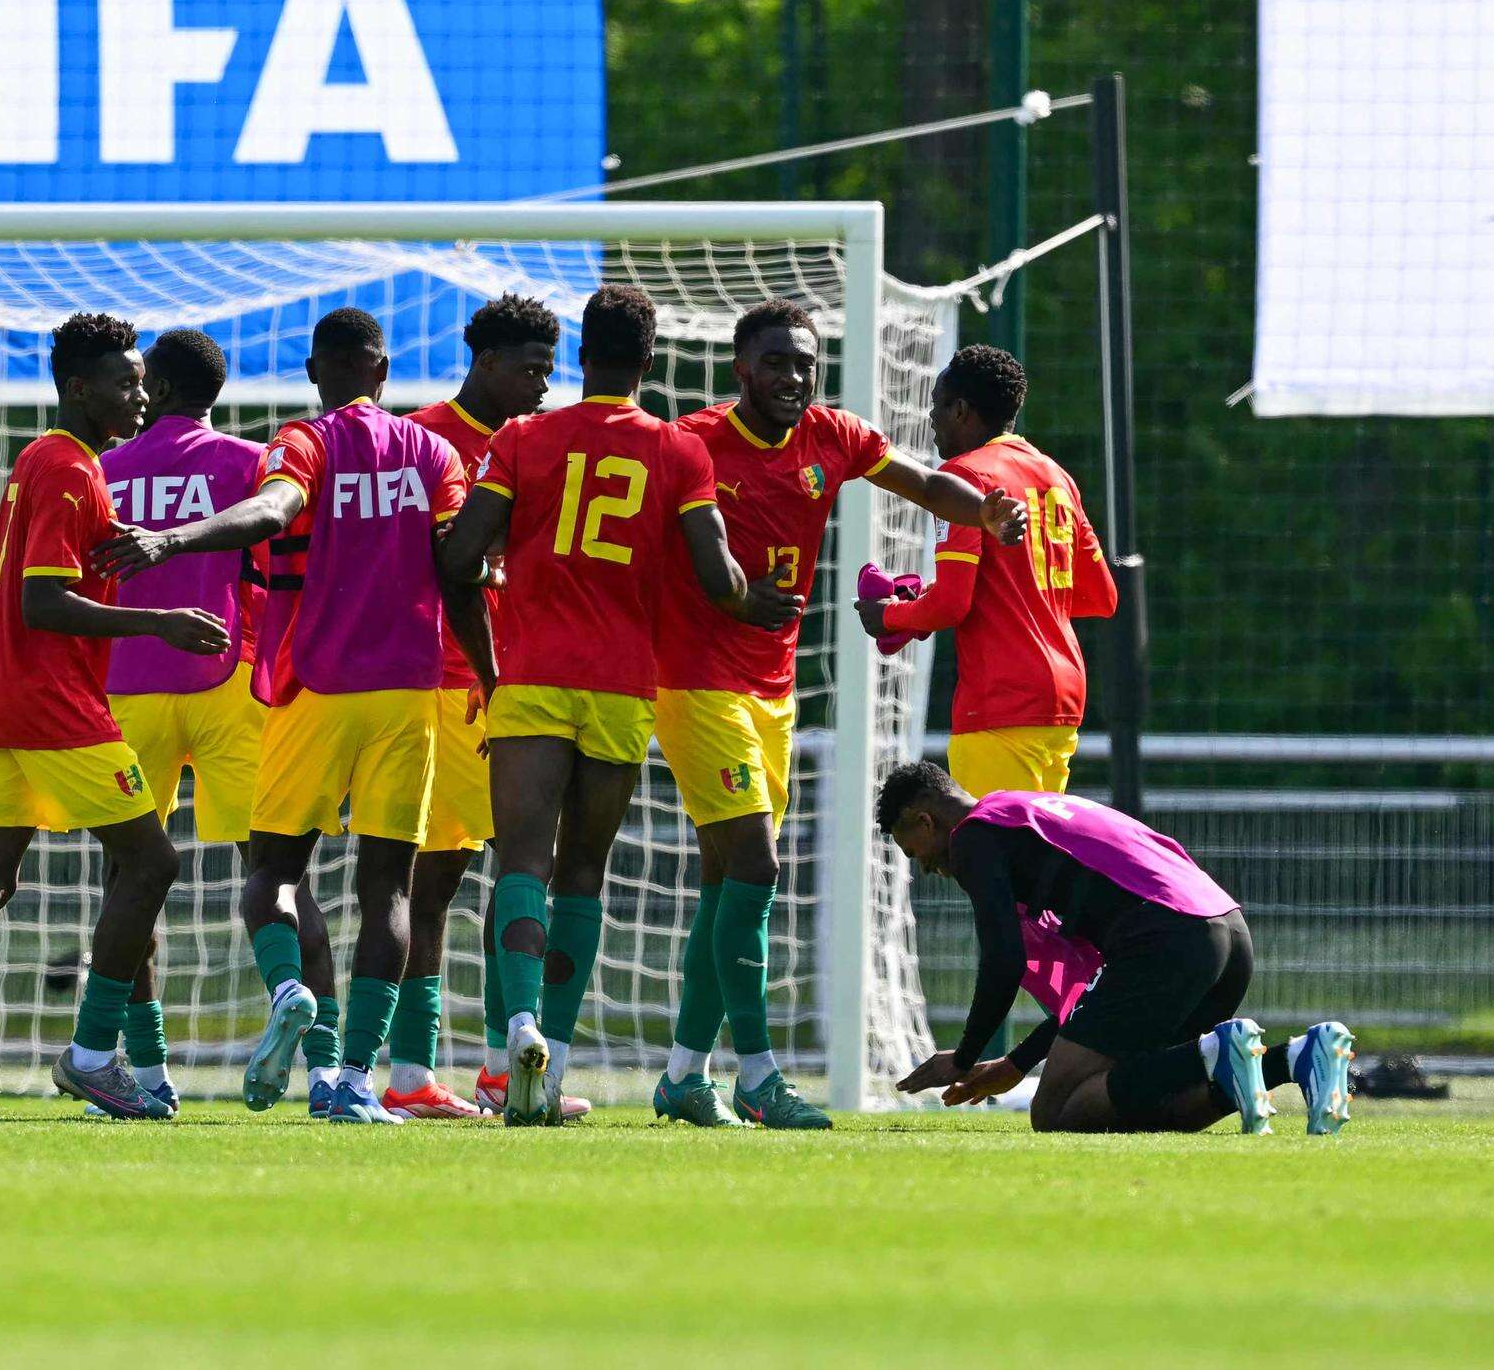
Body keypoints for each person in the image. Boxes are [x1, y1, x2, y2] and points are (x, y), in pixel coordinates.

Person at [647, 299, 1030, 1130]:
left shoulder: (836, 435)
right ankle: (757, 1075)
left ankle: (683, 1073)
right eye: (776, 362)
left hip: (772, 690)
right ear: (741, 369)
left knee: (726, 880)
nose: (793, 377)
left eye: (805, 363)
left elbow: (924, 482)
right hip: (695, 680)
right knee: (755, 866)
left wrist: (985, 510)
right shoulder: (695, 442)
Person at [97, 307, 468, 1126]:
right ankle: (348, 1078)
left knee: (241, 876)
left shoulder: (289, 446)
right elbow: (459, 564)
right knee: (388, 891)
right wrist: (493, 664)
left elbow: (272, 513)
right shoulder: (435, 454)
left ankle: (150, 1065)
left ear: (313, 370)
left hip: (278, 687)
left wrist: (167, 541)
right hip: (391, 690)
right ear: (383, 371)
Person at [434, 284, 764, 1126]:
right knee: (585, 871)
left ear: (580, 356)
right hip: (621, 683)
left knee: (521, 865)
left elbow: (461, 553)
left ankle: (516, 1035)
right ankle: (557, 1065)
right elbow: (718, 578)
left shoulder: (522, 437)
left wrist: (501, 575)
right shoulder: (677, 451)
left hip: (533, 673)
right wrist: (755, 598)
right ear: (650, 361)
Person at [0, 313, 229, 1121]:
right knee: (150, 863)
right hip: (52, 707)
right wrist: (159, 621)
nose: (140, 394)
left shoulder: (49, 462)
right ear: (78, 388)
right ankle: (89, 1057)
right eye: (125, 382)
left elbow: (65, 568)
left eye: (143, 379)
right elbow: (43, 601)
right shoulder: (70, 467)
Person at [875, 760, 1354, 1135]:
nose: (930, 868)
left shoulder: (975, 837)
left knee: (1058, 1109)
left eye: (916, 852)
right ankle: (1296, 1058)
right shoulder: (1024, 810)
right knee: (1164, 1104)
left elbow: (1003, 960)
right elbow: (1093, 995)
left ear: (926, 820)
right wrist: (1016, 1063)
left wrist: (963, 1058)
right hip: (1226, 931)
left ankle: (1218, 1051)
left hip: (1167, 937)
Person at [92, 327, 305, 1114]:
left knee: (129, 880)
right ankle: (310, 1036)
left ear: (156, 387)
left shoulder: (105, 468)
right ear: (214, 391)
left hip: (129, 683)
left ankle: (144, 1072)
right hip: (228, 676)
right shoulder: (250, 463)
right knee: (274, 864)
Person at [394, 293, 563, 1120]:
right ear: (486, 361)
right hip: (448, 684)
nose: (542, 383)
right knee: (440, 875)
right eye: (530, 367)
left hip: (510, 681)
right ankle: (413, 1069)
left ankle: (494, 1065)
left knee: (513, 868)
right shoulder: (426, 436)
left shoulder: (534, 445)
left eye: (549, 368)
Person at [854, 344, 1115, 799]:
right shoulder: (1055, 476)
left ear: (960, 410)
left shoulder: (965, 478)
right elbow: (1100, 596)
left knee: (993, 859)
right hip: (1063, 697)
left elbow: (952, 606)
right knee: (1035, 859)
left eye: (936, 406)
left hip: (1002, 702)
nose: (931, 419)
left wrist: (891, 616)